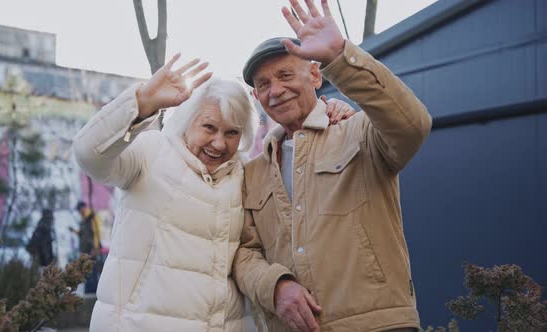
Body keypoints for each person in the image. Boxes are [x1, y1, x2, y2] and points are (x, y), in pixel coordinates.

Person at [73, 50, 355, 331]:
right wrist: (142, 102)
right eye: (209, 127)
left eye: (231, 133)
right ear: (187, 121)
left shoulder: (246, 174)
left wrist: (330, 113)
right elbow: (90, 154)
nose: (219, 143)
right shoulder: (152, 153)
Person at [232, 1, 433, 331]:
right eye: (264, 84)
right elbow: (244, 253)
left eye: (284, 75)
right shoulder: (252, 173)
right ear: (256, 96)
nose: (275, 91)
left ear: (314, 74)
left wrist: (341, 56)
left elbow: (413, 125)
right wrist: (275, 286)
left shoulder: (359, 131)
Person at [69, 201, 103, 293]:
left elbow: (96, 232)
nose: (79, 212)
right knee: (87, 270)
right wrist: (74, 231)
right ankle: (89, 289)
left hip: (91, 249)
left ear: (83, 208)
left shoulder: (91, 217)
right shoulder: (83, 220)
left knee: (92, 270)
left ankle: (93, 289)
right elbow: (82, 234)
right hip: (85, 250)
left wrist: (95, 248)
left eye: (80, 210)